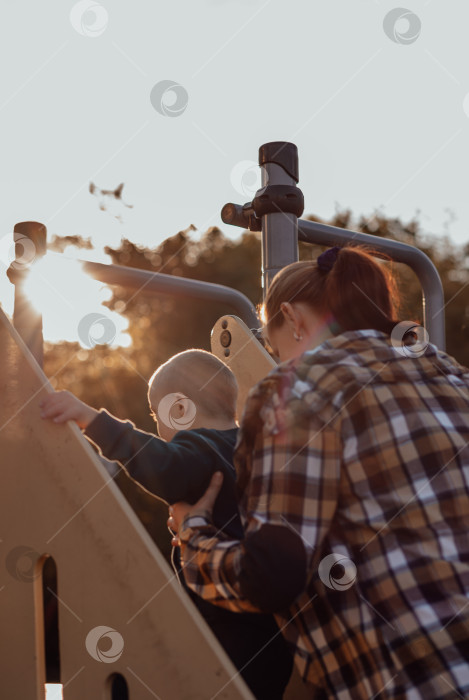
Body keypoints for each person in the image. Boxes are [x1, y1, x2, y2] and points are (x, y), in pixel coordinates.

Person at [169, 247, 469, 699]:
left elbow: (273, 574)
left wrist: (193, 540)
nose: (278, 361)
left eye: (275, 349)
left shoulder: (296, 389)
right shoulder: (453, 377)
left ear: (292, 318)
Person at [39, 349, 293, 700]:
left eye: (154, 414)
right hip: (270, 642)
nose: (157, 427)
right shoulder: (255, 451)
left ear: (178, 408)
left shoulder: (199, 446)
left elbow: (164, 468)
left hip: (223, 638)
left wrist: (93, 420)